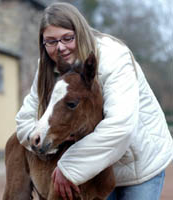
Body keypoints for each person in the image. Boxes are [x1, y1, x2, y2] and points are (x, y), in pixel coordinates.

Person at [15, 2, 173, 200]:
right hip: (94, 171)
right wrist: (45, 136)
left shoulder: (113, 57)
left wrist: (70, 167)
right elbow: (25, 120)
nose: (60, 47)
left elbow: (120, 126)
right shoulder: (48, 68)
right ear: (43, 43)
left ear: (80, 33)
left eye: (67, 38)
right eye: (51, 41)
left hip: (137, 165)